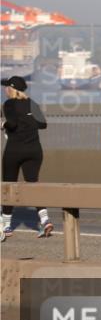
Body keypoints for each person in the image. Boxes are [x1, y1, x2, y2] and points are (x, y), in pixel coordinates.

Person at [1, 76, 52, 241]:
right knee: (33, 184)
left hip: (15, 150)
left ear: (11, 89)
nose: (4, 89)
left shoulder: (9, 104)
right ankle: (45, 219)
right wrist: (28, 119)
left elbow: (13, 124)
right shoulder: (32, 103)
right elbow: (43, 124)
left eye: (6, 87)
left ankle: (6, 226)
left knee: (8, 185)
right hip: (34, 150)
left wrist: (3, 124)